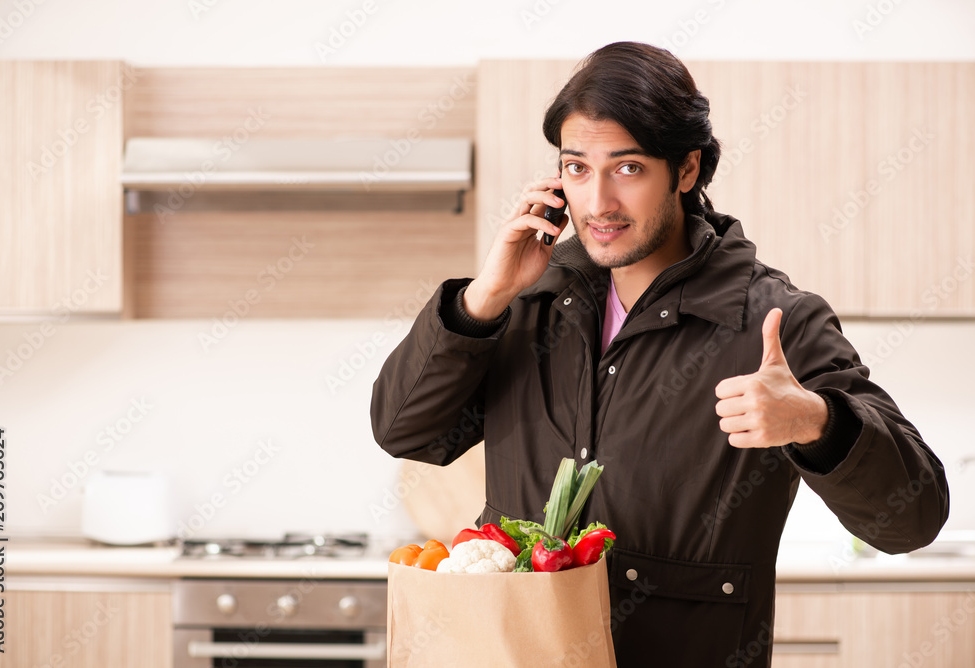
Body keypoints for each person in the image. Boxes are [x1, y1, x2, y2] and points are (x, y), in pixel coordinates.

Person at [370, 41, 949, 666]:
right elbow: (405, 431)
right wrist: (482, 300)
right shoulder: (526, 304)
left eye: (627, 168)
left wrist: (817, 422)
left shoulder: (771, 321)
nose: (597, 204)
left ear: (687, 169)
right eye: (577, 168)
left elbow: (911, 519)